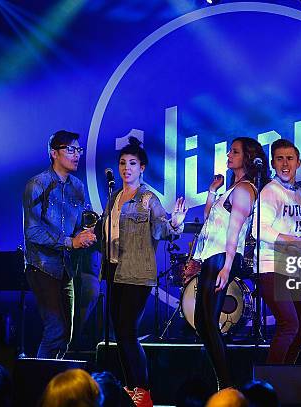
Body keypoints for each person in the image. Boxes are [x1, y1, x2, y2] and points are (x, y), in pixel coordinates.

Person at [101, 137, 187, 407]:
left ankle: (143, 390)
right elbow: (108, 231)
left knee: (127, 329)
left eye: (132, 164)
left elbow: (161, 228)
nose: (126, 168)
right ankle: (129, 387)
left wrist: (175, 222)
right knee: (119, 332)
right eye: (123, 163)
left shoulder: (148, 198)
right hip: (113, 270)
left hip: (137, 272)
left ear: (142, 168)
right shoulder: (114, 197)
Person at [192, 137, 269, 390]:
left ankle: (226, 384)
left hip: (221, 257)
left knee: (208, 322)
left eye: (234, 152)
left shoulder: (245, 189)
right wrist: (212, 191)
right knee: (203, 322)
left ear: (247, 157)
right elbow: (210, 219)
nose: (228, 155)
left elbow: (234, 229)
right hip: (213, 255)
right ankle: (224, 381)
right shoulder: (234, 188)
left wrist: (226, 266)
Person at [23, 130, 96, 359]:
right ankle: (38, 384)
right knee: (55, 330)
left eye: (79, 150)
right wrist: (70, 241)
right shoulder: (37, 184)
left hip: (67, 267)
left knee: (68, 334)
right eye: (70, 150)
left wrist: (86, 234)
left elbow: (77, 226)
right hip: (42, 265)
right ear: (54, 153)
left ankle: (53, 382)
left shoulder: (78, 186)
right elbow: (32, 231)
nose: (76, 155)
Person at [252, 139, 301, 364]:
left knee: (299, 333)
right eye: (279, 159)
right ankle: (270, 383)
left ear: (298, 162)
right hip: (272, 266)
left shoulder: (300, 194)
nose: (285, 163)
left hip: (294, 268)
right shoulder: (271, 191)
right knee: (289, 325)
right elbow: (257, 229)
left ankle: (284, 380)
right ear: (272, 163)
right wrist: (295, 242)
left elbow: (295, 228)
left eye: (289, 158)